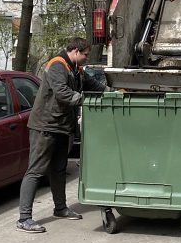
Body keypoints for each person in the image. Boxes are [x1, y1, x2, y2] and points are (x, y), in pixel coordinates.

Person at [16, 37, 111, 233]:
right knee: (36, 171)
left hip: (61, 127)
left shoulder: (75, 69)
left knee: (58, 170)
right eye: (85, 55)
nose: (86, 58)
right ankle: (24, 218)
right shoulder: (57, 65)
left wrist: (114, 92)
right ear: (75, 50)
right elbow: (62, 92)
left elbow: (93, 85)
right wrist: (84, 100)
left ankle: (60, 208)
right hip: (45, 125)